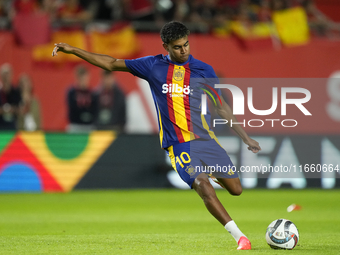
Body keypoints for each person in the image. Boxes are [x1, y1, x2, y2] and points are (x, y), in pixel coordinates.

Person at [52, 21, 261, 250]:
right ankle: (240, 236)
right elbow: (111, 63)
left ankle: (208, 172)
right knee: (202, 185)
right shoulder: (153, 66)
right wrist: (74, 50)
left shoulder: (204, 70)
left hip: (206, 141)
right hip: (178, 145)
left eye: (186, 44)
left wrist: (245, 137)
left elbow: (220, 107)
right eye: (177, 46)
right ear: (166, 47)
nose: (184, 50)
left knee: (236, 189)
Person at [66, 65, 98, 133]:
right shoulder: (72, 93)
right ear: (77, 78)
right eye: (82, 79)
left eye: (85, 78)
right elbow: (72, 109)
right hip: (76, 125)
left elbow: (95, 109)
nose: (84, 81)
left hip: (89, 125)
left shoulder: (92, 93)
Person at [0, 63, 21, 130]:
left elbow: (21, 109)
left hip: (13, 125)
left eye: (8, 74)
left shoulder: (16, 92)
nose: (6, 77)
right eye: (4, 74)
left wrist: (13, 109)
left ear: (12, 75)